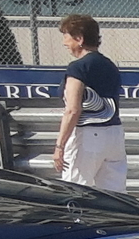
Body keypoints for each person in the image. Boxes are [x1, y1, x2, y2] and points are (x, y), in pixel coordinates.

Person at [51, 14, 126, 192]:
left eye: (66, 36)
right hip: (114, 133)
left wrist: (59, 146)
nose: (64, 43)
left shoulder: (78, 68)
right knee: (115, 194)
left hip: (88, 135)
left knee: (75, 191)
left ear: (79, 38)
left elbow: (72, 110)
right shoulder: (110, 66)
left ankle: (77, 220)